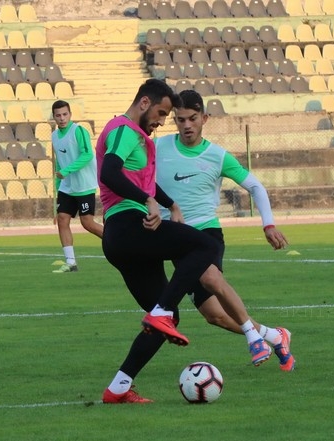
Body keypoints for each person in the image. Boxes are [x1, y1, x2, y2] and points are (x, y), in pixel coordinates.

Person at [97, 79, 280, 404]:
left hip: (121, 237)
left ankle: (119, 388)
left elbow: (141, 182)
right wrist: (148, 200)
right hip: (128, 227)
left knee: (169, 320)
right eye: (162, 113)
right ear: (144, 104)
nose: (162, 121)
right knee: (205, 247)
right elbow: (110, 173)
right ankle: (162, 312)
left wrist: (169, 204)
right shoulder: (125, 130)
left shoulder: (137, 138)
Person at [155, 89, 294, 372]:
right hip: (175, 239)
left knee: (208, 275)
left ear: (204, 118)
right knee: (213, 315)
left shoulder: (217, 156)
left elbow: (256, 185)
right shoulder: (159, 148)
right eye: (180, 120)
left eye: (192, 118)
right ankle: (273, 335)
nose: (187, 125)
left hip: (207, 233)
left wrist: (268, 224)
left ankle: (254, 339)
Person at [50, 100, 104, 273]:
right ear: (54, 117)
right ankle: (71, 263)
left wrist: (67, 170)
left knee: (87, 223)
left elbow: (88, 154)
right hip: (67, 186)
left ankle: (120, 245)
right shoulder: (54, 136)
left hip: (84, 185)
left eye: (65, 114)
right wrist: (60, 184)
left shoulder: (78, 130)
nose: (62, 118)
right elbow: (59, 163)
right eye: (58, 115)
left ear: (70, 114)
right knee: (62, 219)